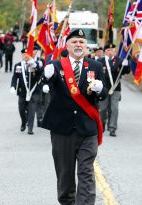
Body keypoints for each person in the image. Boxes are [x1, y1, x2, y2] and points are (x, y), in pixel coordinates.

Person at [41, 29, 107, 205]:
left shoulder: (96, 67)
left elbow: (104, 94)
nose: (78, 45)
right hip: (62, 130)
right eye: (74, 42)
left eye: (81, 42)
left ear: (86, 46)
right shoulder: (56, 66)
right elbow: (46, 84)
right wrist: (45, 77)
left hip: (87, 129)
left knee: (86, 173)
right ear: (67, 46)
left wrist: (101, 90)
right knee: (65, 174)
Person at [97, 43, 130, 137]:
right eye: (108, 50)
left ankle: (112, 128)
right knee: (102, 109)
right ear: (104, 52)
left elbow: (126, 71)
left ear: (115, 51)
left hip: (115, 88)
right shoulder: (100, 61)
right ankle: (102, 123)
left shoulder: (119, 61)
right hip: (104, 89)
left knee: (114, 108)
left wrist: (126, 63)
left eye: (112, 50)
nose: (110, 52)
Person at [10, 48, 42, 135]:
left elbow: (41, 73)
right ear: (22, 55)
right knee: (21, 108)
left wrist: (35, 66)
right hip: (22, 91)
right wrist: (13, 86)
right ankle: (24, 122)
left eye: (27, 55)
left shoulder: (35, 64)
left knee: (32, 109)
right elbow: (15, 77)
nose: (26, 56)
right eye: (24, 55)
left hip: (34, 91)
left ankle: (30, 128)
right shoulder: (18, 65)